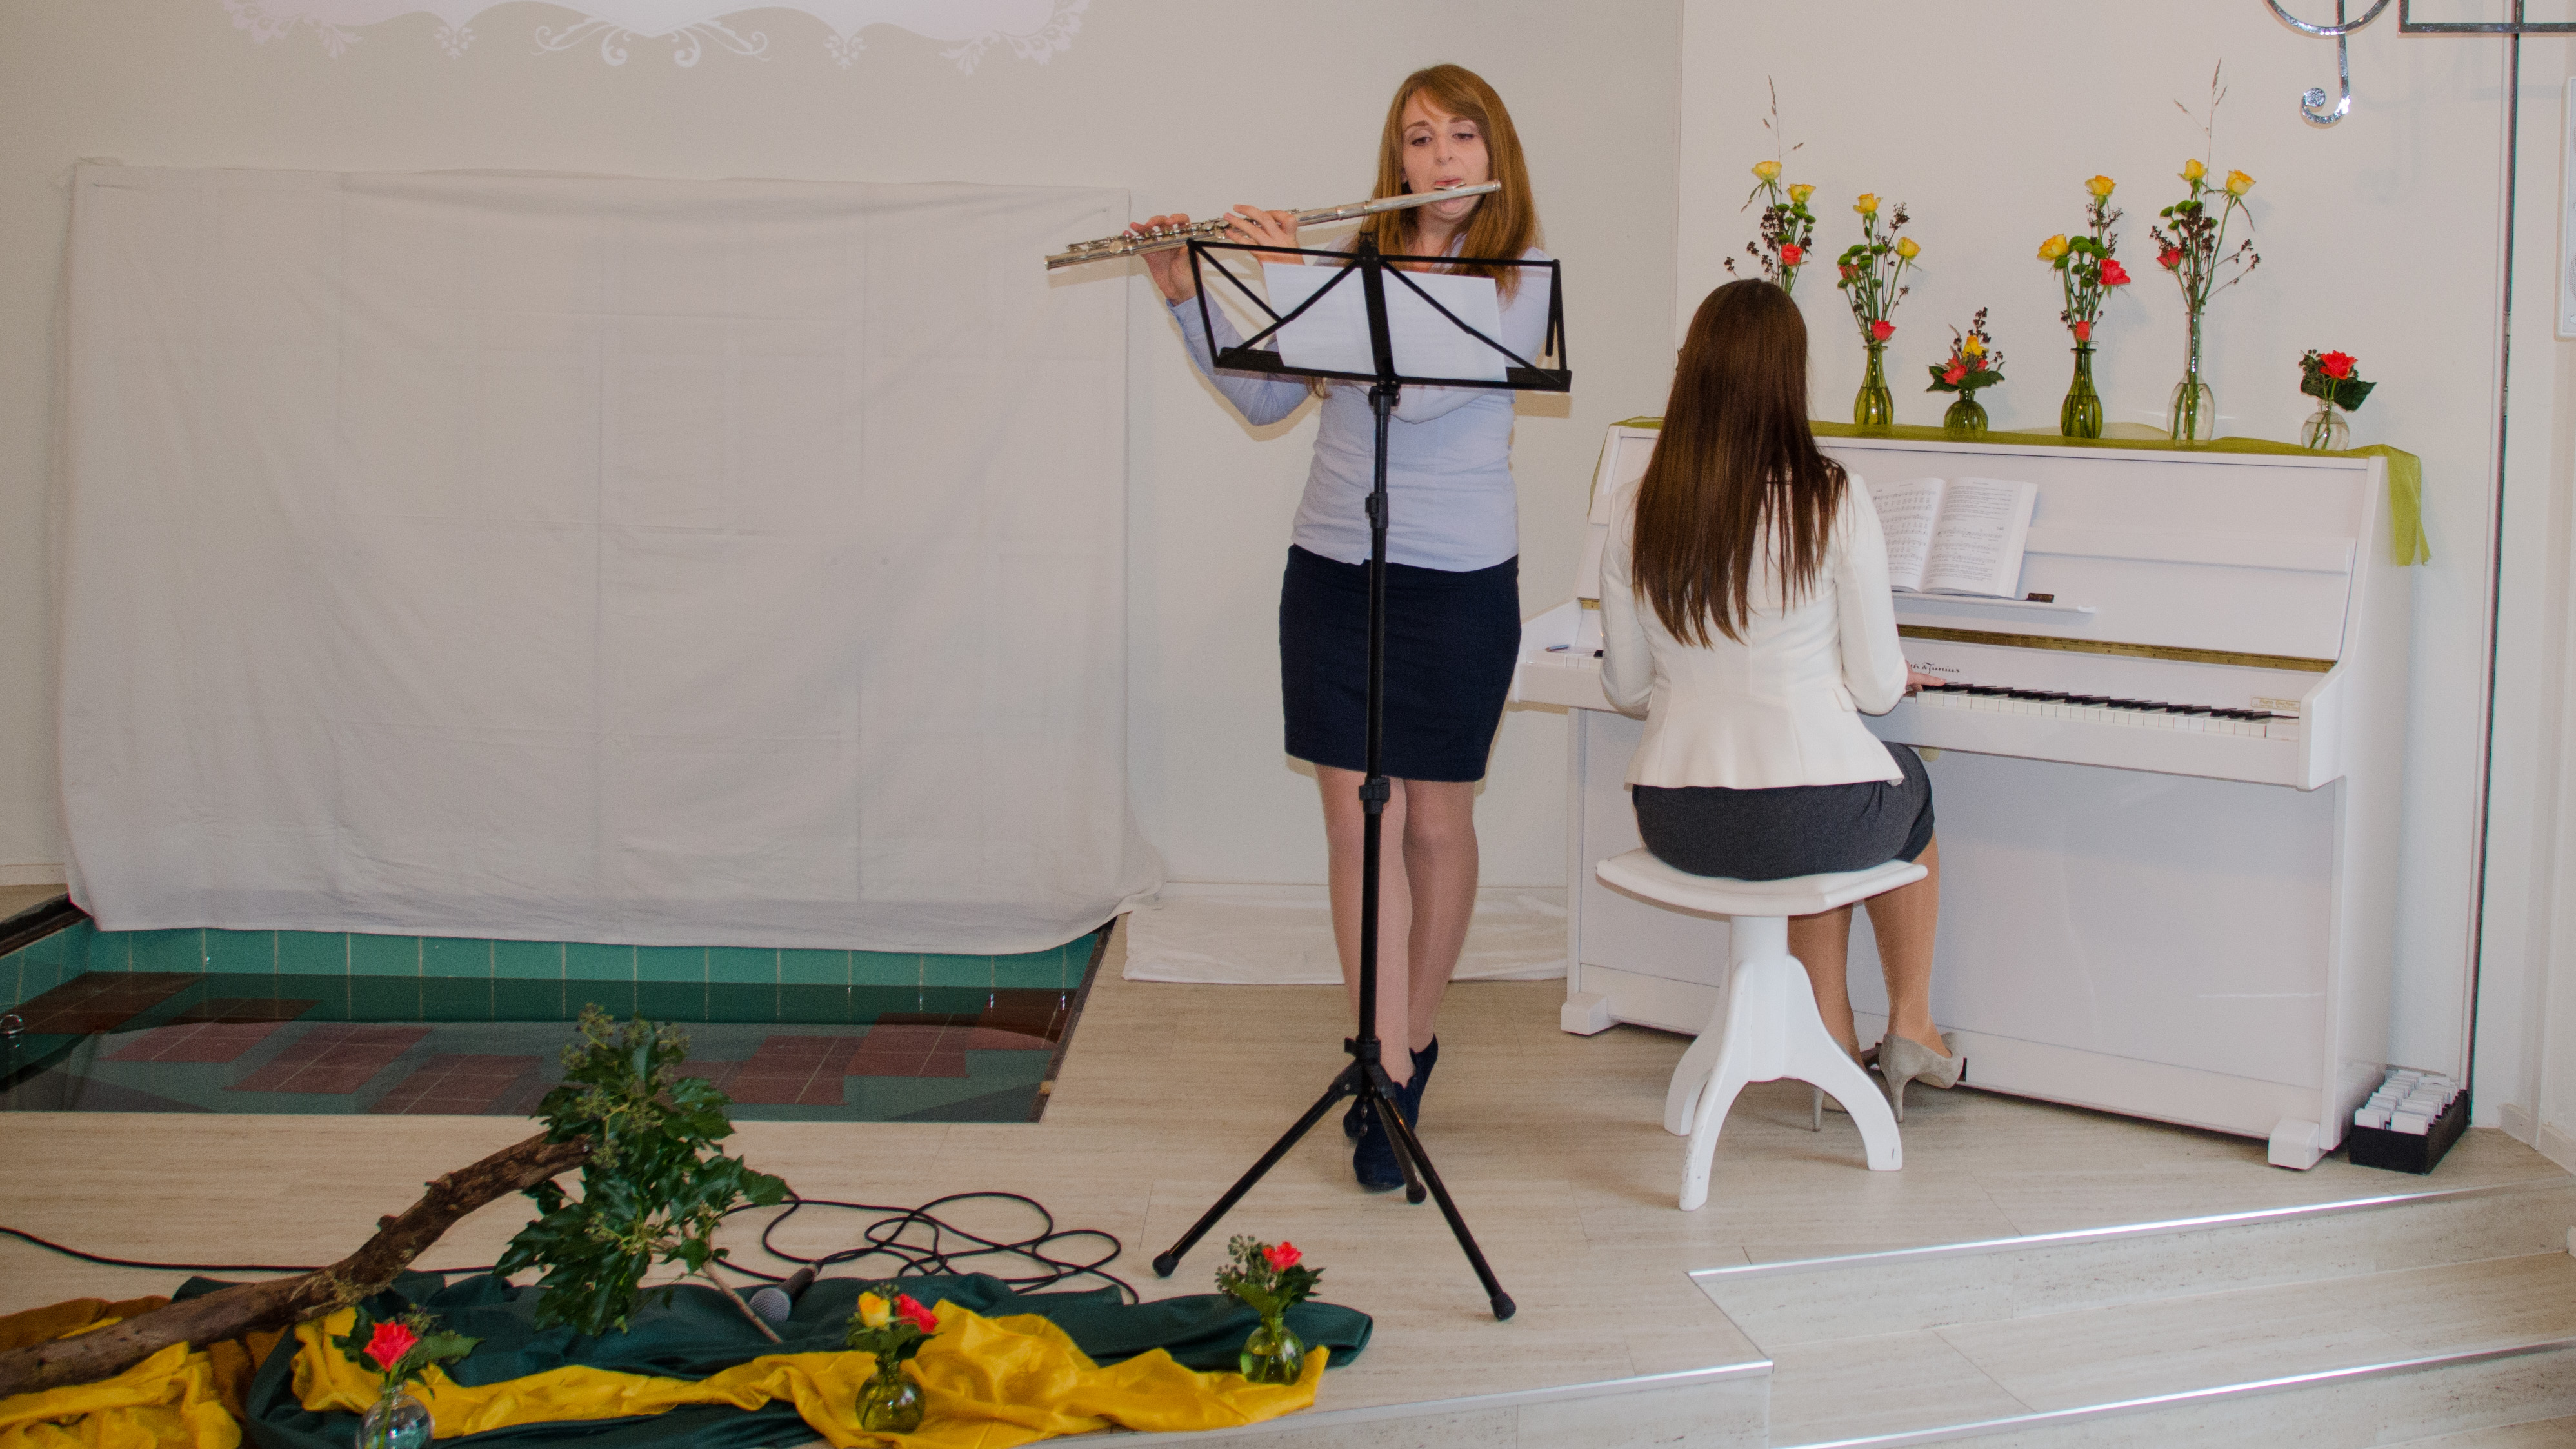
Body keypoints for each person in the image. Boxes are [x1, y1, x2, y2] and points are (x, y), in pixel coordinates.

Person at [1132, 64, 1552, 1189]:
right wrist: (1190, 293)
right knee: (1359, 825)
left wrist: (1293, 274)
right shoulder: (1354, 262)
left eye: (1461, 135)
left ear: (1492, 150)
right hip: (1332, 565)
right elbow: (1269, 399)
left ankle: (1414, 1038)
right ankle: (1382, 1060)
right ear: (1395, 159)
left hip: (1456, 578)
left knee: (1434, 823)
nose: (1441, 158)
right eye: (1419, 138)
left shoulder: (1517, 280)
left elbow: (1421, 389)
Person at [1597, 279, 1959, 1117]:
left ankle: (1831, 1036)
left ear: (1692, 371)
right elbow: (1876, 689)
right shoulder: (1832, 495)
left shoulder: (1637, 505)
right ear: (1789, 376)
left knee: (1820, 805)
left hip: (1677, 819)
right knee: (1897, 782)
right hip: (1800, 817)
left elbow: (1625, 687)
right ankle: (1912, 1023)